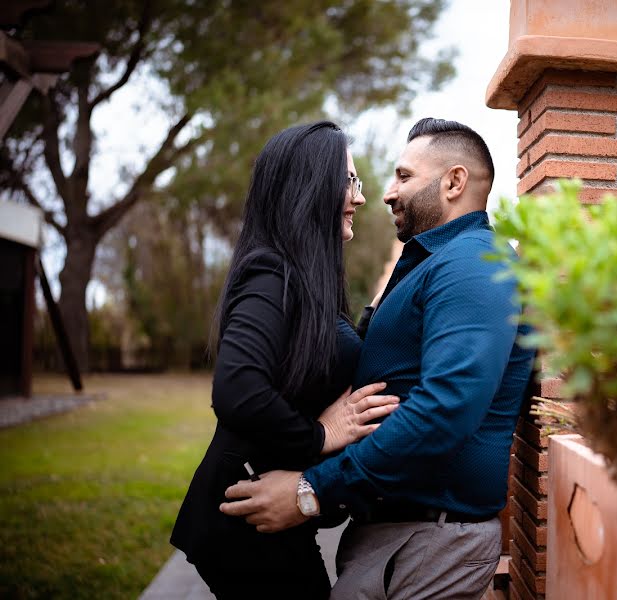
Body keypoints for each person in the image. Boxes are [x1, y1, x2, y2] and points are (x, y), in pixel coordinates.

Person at [221, 118, 537, 599]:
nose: (388, 193)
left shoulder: (474, 264)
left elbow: (446, 408)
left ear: (453, 182)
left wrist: (313, 491)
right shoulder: (439, 262)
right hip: (399, 537)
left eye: (405, 177)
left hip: (430, 540)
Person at [170, 121, 401, 599]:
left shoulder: (302, 280)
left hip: (268, 521)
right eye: (350, 181)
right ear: (312, 188)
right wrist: (321, 435)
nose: (359, 197)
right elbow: (237, 389)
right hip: (246, 513)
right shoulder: (271, 274)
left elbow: (323, 358)